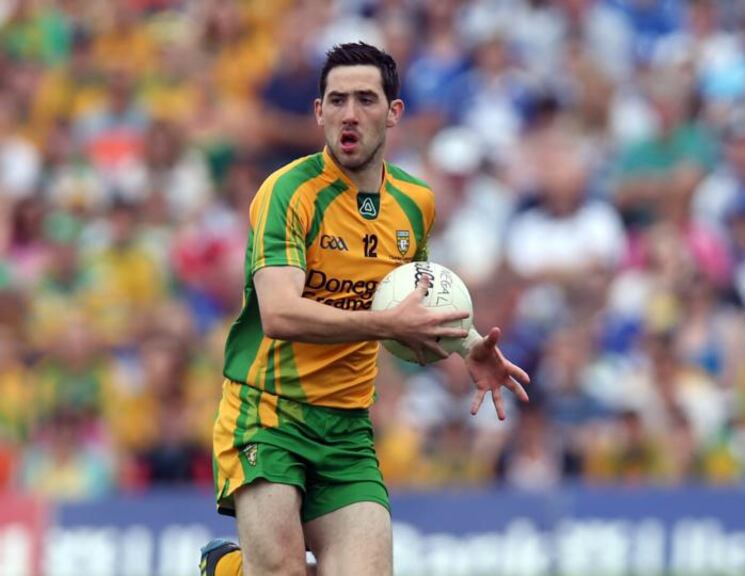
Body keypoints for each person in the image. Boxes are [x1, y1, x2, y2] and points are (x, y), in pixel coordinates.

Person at [199, 42, 530, 576]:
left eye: (365, 99)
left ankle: (232, 569)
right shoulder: (287, 193)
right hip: (267, 412)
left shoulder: (415, 203)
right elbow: (280, 314)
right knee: (280, 568)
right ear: (319, 112)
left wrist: (469, 347)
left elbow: (407, 296)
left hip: (348, 427)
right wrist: (385, 324)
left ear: (393, 113)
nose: (349, 114)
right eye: (336, 100)